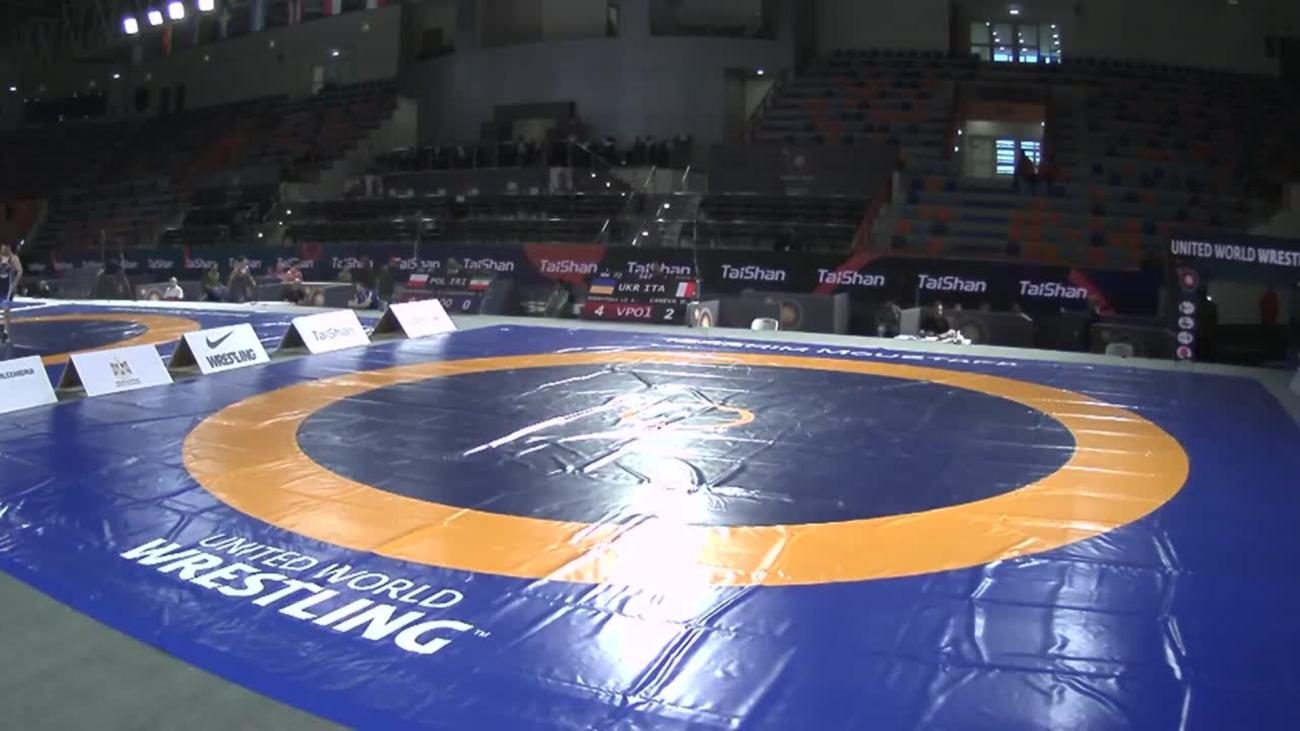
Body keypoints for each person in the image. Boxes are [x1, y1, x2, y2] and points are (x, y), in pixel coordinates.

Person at [0, 242, 22, 344]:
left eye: (4, 246)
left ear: (8, 247)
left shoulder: (14, 258)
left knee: (6, 310)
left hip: (7, 288)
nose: (2, 248)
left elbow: (20, 271)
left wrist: (15, 283)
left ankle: (6, 333)